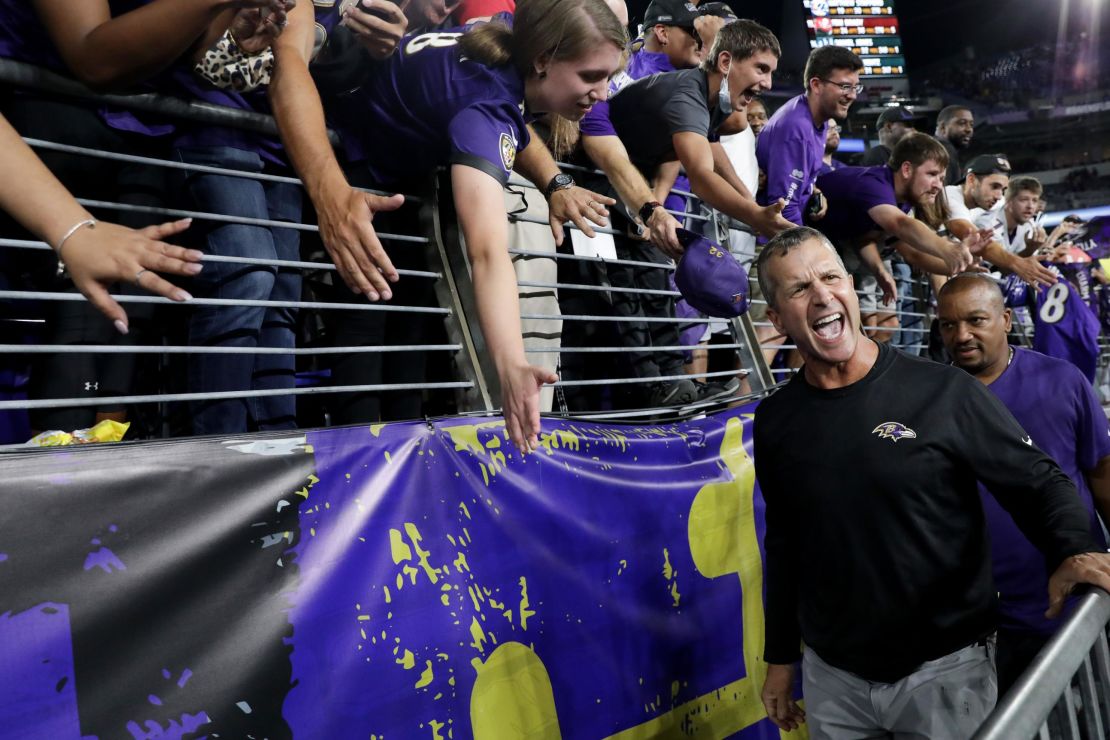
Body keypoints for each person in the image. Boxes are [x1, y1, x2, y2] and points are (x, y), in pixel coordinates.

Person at [752, 226, 1110, 738]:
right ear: (776, 317)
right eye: (798, 289)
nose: (822, 296)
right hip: (835, 683)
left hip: (948, 673)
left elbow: (1039, 482)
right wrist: (782, 658)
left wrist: (1072, 547)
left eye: (831, 277)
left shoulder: (942, 391)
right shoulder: (775, 420)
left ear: (853, 289)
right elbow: (785, 544)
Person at [272, 0, 627, 451]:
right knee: (368, 309)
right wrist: (512, 364)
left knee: (409, 317)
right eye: (591, 77)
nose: (602, 92)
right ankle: (355, 459)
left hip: (396, 161)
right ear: (542, 61)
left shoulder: (508, 34)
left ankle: (402, 455)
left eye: (608, 77)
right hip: (354, 153)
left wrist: (555, 182)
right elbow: (487, 251)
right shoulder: (485, 109)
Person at [938, 273, 1110, 693]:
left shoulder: (1062, 381)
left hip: (1074, 603)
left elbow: (1101, 471)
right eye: (948, 324)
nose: (962, 335)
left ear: (1007, 319)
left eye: (976, 320)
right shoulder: (930, 399)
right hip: (981, 623)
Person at [0, 112, 201, 328]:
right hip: (57, 125)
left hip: (142, 139)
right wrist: (74, 231)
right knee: (82, 316)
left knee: (133, 311)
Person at [756, 45, 863, 229]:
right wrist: (806, 249)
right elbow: (783, 209)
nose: (852, 95)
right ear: (816, 85)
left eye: (856, 87)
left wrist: (813, 190)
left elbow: (794, 177)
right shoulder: (797, 128)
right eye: (845, 86)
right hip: (765, 240)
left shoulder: (816, 119)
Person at [943, 155, 1058, 287]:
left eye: (1003, 190)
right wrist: (1017, 263)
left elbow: (1011, 200)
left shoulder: (988, 202)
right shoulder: (950, 196)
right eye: (994, 186)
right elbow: (974, 238)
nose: (999, 196)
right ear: (971, 180)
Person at [935, 104, 974, 185]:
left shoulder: (935, 147)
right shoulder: (943, 149)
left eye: (971, 124)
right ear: (943, 127)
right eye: (962, 123)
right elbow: (941, 192)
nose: (969, 129)